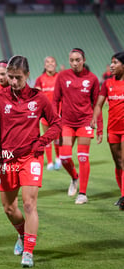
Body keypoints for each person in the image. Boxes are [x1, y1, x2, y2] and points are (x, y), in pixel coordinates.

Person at [0, 55, 61, 268]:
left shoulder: (40, 98)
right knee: (9, 208)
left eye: (18, 77)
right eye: (11, 77)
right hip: (7, 158)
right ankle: (23, 234)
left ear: (27, 75)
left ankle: (29, 252)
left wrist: (42, 141)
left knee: (28, 203)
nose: (14, 82)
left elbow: (56, 124)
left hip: (30, 157)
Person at [53, 48, 103, 205]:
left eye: (78, 60)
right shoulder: (62, 76)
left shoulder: (92, 79)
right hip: (67, 122)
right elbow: (55, 100)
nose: (74, 63)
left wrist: (100, 127)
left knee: (83, 157)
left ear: (84, 60)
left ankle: (82, 193)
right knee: (65, 157)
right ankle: (74, 177)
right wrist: (55, 121)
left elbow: (97, 104)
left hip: (85, 122)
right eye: (72, 60)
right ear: (69, 61)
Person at [91, 52, 124, 209]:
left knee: (123, 161)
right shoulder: (107, 83)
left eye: (115, 62)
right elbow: (98, 104)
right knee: (118, 163)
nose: (111, 65)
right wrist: (95, 120)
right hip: (113, 129)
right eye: (111, 62)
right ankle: (123, 193)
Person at [34, 56, 61, 170]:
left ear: (56, 64)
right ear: (44, 65)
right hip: (45, 115)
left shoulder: (60, 78)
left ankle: (58, 159)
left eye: (52, 62)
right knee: (47, 138)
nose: (50, 64)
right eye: (47, 62)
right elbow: (36, 98)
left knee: (58, 138)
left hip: (58, 114)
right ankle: (49, 162)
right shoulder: (40, 79)